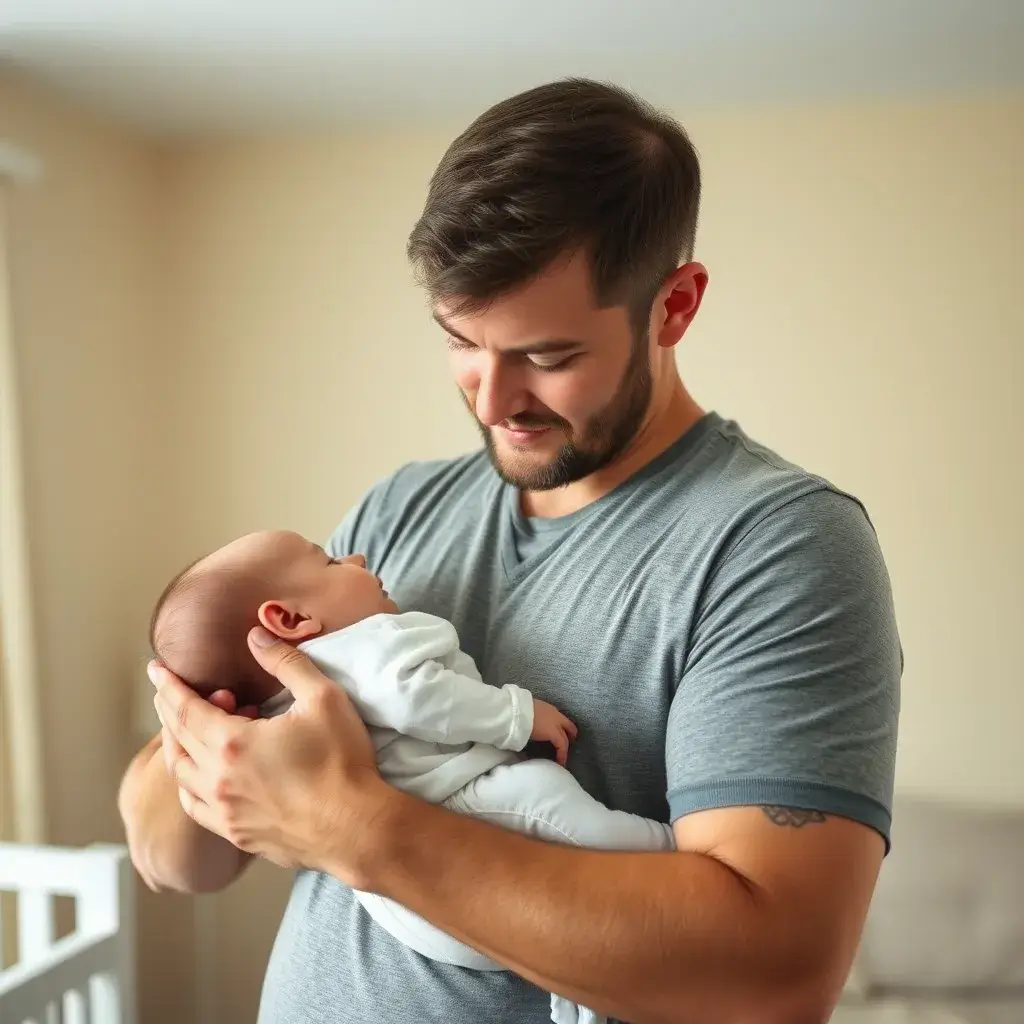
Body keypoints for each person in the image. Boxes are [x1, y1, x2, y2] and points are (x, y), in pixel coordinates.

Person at [118, 77, 901, 1024]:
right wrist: (212, 763)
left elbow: (773, 980)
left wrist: (354, 828)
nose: (491, 401)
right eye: (461, 341)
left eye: (547, 356)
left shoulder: (777, 547)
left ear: (674, 306)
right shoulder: (396, 512)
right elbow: (171, 857)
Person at [148, 527, 675, 1024]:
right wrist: (516, 714)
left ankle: (579, 995)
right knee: (542, 793)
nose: (357, 556)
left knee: (559, 945)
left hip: (402, 906)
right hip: (462, 803)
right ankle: (659, 849)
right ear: (289, 619)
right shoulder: (362, 643)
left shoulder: (281, 700)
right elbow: (419, 696)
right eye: (330, 561)